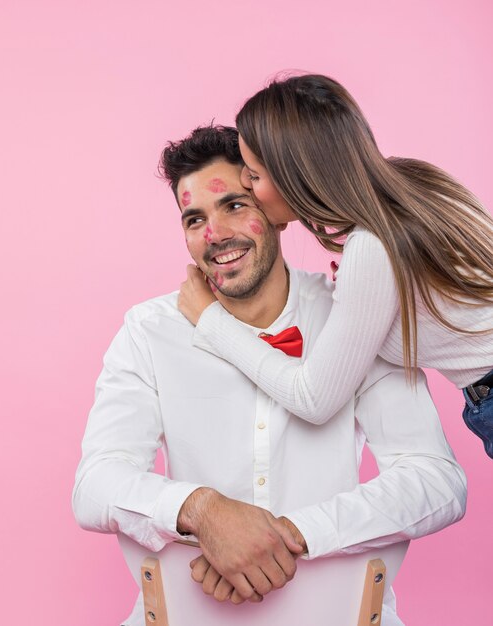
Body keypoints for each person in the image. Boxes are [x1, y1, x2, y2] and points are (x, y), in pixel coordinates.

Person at [73, 125, 466, 626]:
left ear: (275, 209)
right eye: (195, 219)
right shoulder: (148, 331)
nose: (214, 235)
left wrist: (291, 534)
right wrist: (205, 511)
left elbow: (436, 479)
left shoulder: (354, 314)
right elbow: (95, 483)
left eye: (235, 205)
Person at [178, 74, 493, 458]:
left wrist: (211, 321)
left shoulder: (373, 246)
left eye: (255, 175)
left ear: (295, 175)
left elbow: (313, 399)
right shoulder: (414, 182)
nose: (246, 182)